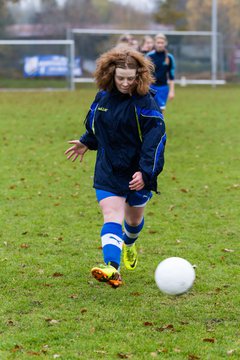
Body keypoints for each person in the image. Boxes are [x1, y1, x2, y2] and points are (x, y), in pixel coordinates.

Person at [65, 47, 166, 288]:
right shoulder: (102, 98)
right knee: (112, 215)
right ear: (110, 74)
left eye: (130, 78)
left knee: (132, 222)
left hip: (136, 171)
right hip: (109, 168)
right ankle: (112, 268)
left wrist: (145, 172)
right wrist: (86, 142)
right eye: (120, 77)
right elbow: (96, 126)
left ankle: (129, 244)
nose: (125, 83)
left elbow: (156, 140)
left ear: (138, 76)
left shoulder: (145, 102)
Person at [147, 33, 175, 112]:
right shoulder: (149, 56)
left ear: (165, 43)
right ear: (154, 43)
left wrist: (172, 91)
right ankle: (151, 124)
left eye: (162, 43)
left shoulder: (169, 57)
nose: (160, 45)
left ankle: (159, 124)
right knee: (150, 109)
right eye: (158, 43)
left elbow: (171, 76)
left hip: (163, 88)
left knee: (161, 110)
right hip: (151, 87)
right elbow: (145, 73)